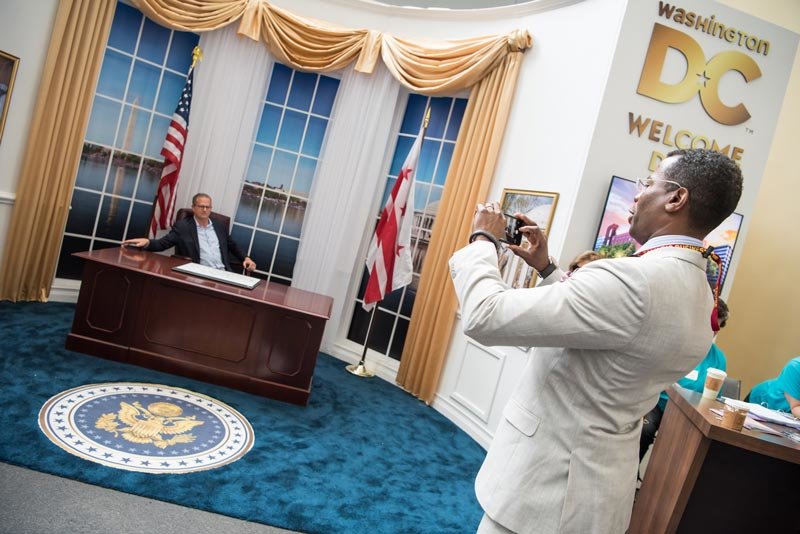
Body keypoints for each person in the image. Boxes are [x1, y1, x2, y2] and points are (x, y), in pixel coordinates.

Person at [448, 148, 743, 533]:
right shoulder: (703, 295)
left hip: (545, 495)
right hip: (597, 494)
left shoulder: (632, 280)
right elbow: (613, 334)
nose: (638, 193)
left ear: (676, 198)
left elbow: (484, 315)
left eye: (649, 183)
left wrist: (482, 240)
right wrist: (547, 269)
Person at [638, 298, 730, 463]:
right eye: (709, 325)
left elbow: (714, 398)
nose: (711, 331)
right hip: (657, 404)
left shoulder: (718, 359)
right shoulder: (675, 344)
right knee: (644, 429)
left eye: (716, 327)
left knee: (693, 447)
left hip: (691, 414)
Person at [123, 193, 256, 273]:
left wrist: (246, 258)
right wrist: (147, 242)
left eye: (208, 207)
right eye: (201, 206)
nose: (205, 210)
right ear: (193, 208)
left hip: (223, 273)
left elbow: (233, 246)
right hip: (198, 273)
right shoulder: (183, 227)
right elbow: (163, 244)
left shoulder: (219, 226)